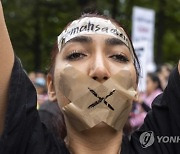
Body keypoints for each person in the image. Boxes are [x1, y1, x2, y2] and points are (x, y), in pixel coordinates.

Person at [0, 1, 180, 154]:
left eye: (118, 56)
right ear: (52, 86)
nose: (100, 70)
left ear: (135, 87)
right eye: (76, 54)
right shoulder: (24, 144)